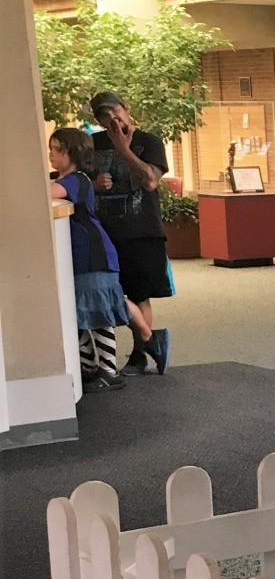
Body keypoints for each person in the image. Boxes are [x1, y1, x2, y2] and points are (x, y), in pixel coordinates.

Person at [48, 128, 151, 390]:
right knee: (79, 314)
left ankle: (108, 370)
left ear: (72, 153)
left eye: (57, 149)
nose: (51, 154)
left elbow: (48, 193)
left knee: (98, 313)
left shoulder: (77, 180)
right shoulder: (66, 179)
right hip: (81, 257)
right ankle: (89, 367)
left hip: (94, 255)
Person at [88, 91, 171, 374]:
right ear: (98, 120)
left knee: (138, 294)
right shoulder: (91, 145)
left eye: (115, 111)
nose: (112, 118)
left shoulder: (149, 142)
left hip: (141, 231)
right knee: (106, 292)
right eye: (104, 115)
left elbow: (149, 181)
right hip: (102, 233)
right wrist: (93, 184)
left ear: (126, 108)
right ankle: (143, 343)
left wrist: (122, 148)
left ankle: (139, 355)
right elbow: (75, 178)